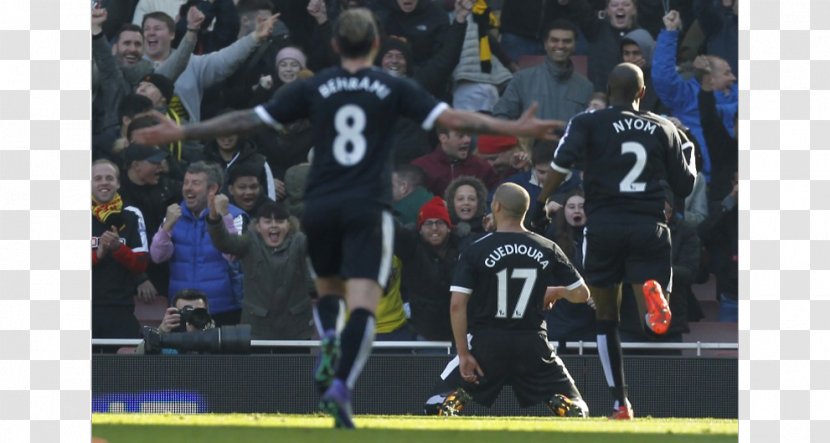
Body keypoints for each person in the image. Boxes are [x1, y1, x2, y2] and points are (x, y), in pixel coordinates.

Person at [132, 7, 563, 429]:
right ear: (376, 45)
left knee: (328, 292)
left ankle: (331, 339)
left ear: (336, 44)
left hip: (321, 204)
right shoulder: (391, 85)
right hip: (368, 207)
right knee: (363, 303)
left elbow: (248, 117)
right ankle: (340, 381)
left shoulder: (315, 85)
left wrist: (181, 131)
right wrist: (511, 127)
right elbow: (452, 118)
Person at [530, 63, 696, 419]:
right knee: (652, 315)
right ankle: (655, 299)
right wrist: (690, 150)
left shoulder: (588, 122)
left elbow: (560, 163)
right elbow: (684, 187)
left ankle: (620, 403)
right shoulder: (663, 127)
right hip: (649, 225)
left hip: (604, 225)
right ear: (641, 93)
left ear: (607, 90)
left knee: (605, 317)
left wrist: (542, 202)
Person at [424, 183, 590, 417]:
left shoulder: (475, 249)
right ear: (525, 209)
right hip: (533, 343)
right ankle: (556, 395)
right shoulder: (547, 247)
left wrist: (463, 354)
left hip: (486, 343)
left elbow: (457, 304)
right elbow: (582, 294)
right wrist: (558, 291)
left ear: (497, 206)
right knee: (577, 407)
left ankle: (458, 395)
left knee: (434, 404)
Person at [149, 161, 247, 326]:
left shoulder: (234, 216)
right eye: (186, 182)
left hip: (223, 309)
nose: (188, 188)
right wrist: (166, 227)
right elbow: (157, 256)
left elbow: (233, 255)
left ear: (212, 189)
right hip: (182, 309)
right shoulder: (173, 216)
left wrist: (223, 216)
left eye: (195, 183)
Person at [207, 194, 315, 340]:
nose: (274, 225)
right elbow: (225, 243)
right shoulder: (250, 241)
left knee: (296, 363)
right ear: (258, 226)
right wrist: (214, 217)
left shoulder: (300, 241)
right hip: (257, 328)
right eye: (268, 221)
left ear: (289, 225)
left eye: (280, 221)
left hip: (296, 329)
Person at [492, 19, 594, 123]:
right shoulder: (522, 79)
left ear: (575, 45)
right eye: (554, 40)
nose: (560, 46)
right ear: (545, 44)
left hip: (568, 139)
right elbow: (501, 116)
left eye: (566, 41)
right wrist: (519, 135)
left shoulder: (585, 86)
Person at [92, 159, 149, 339]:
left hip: (120, 308)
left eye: (109, 178)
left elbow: (141, 264)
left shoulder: (132, 214)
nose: (104, 182)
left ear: (118, 183)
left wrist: (118, 249)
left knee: (126, 366)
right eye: (97, 178)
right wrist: (98, 254)